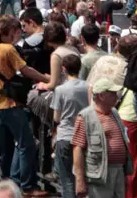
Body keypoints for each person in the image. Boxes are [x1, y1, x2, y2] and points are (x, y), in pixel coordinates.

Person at [0, 18, 48, 196]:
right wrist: (48, 79)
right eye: (15, 30)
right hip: (9, 103)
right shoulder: (7, 49)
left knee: (7, 146)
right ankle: (27, 186)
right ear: (9, 30)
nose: (17, 34)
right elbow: (26, 70)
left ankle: (10, 182)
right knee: (26, 144)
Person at [72, 75, 132, 198]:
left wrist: (125, 173)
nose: (117, 96)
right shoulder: (85, 116)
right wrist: (80, 181)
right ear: (101, 96)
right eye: (113, 93)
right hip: (98, 175)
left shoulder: (114, 112)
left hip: (118, 172)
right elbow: (77, 148)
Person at [53, 53, 89, 198]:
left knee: (67, 179)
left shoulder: (60, 89)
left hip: (66, 136)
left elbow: (56, 117)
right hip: (84, 136)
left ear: (63, 69)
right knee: (83, 177)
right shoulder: (88, 86)